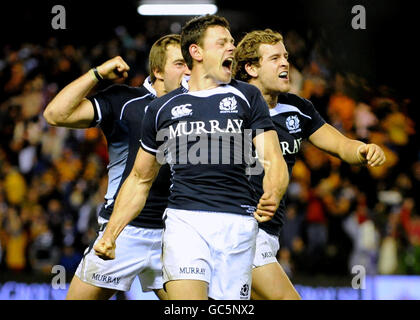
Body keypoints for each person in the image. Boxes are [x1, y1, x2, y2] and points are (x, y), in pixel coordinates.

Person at [93, 15, 289, 300]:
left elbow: (272, 156)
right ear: (196, 52)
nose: (231, 48)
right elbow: (139, 179)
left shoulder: (247, 96)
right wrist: (111, 234)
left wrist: (274, 189)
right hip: (185, 222)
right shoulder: (162, 108)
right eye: (222, 43)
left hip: (238, 225)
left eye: (232, 42)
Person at [233, 29, 386, 300]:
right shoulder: (229, 107)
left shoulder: (297, 108)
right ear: (251, 68)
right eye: (275, 58)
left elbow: (340, 145)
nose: (285, 63)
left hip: (269, 232)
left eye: (286, 56)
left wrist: (363, 149)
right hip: (239, 228)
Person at [43, 34, 190, 300]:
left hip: (175, 234)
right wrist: (97, 74)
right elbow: (55, 114)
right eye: (180, 63)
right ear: (157, 70)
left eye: (190, 63)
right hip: (124, 232)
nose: (189, 70)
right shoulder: (125, 100)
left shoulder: (199, 106)